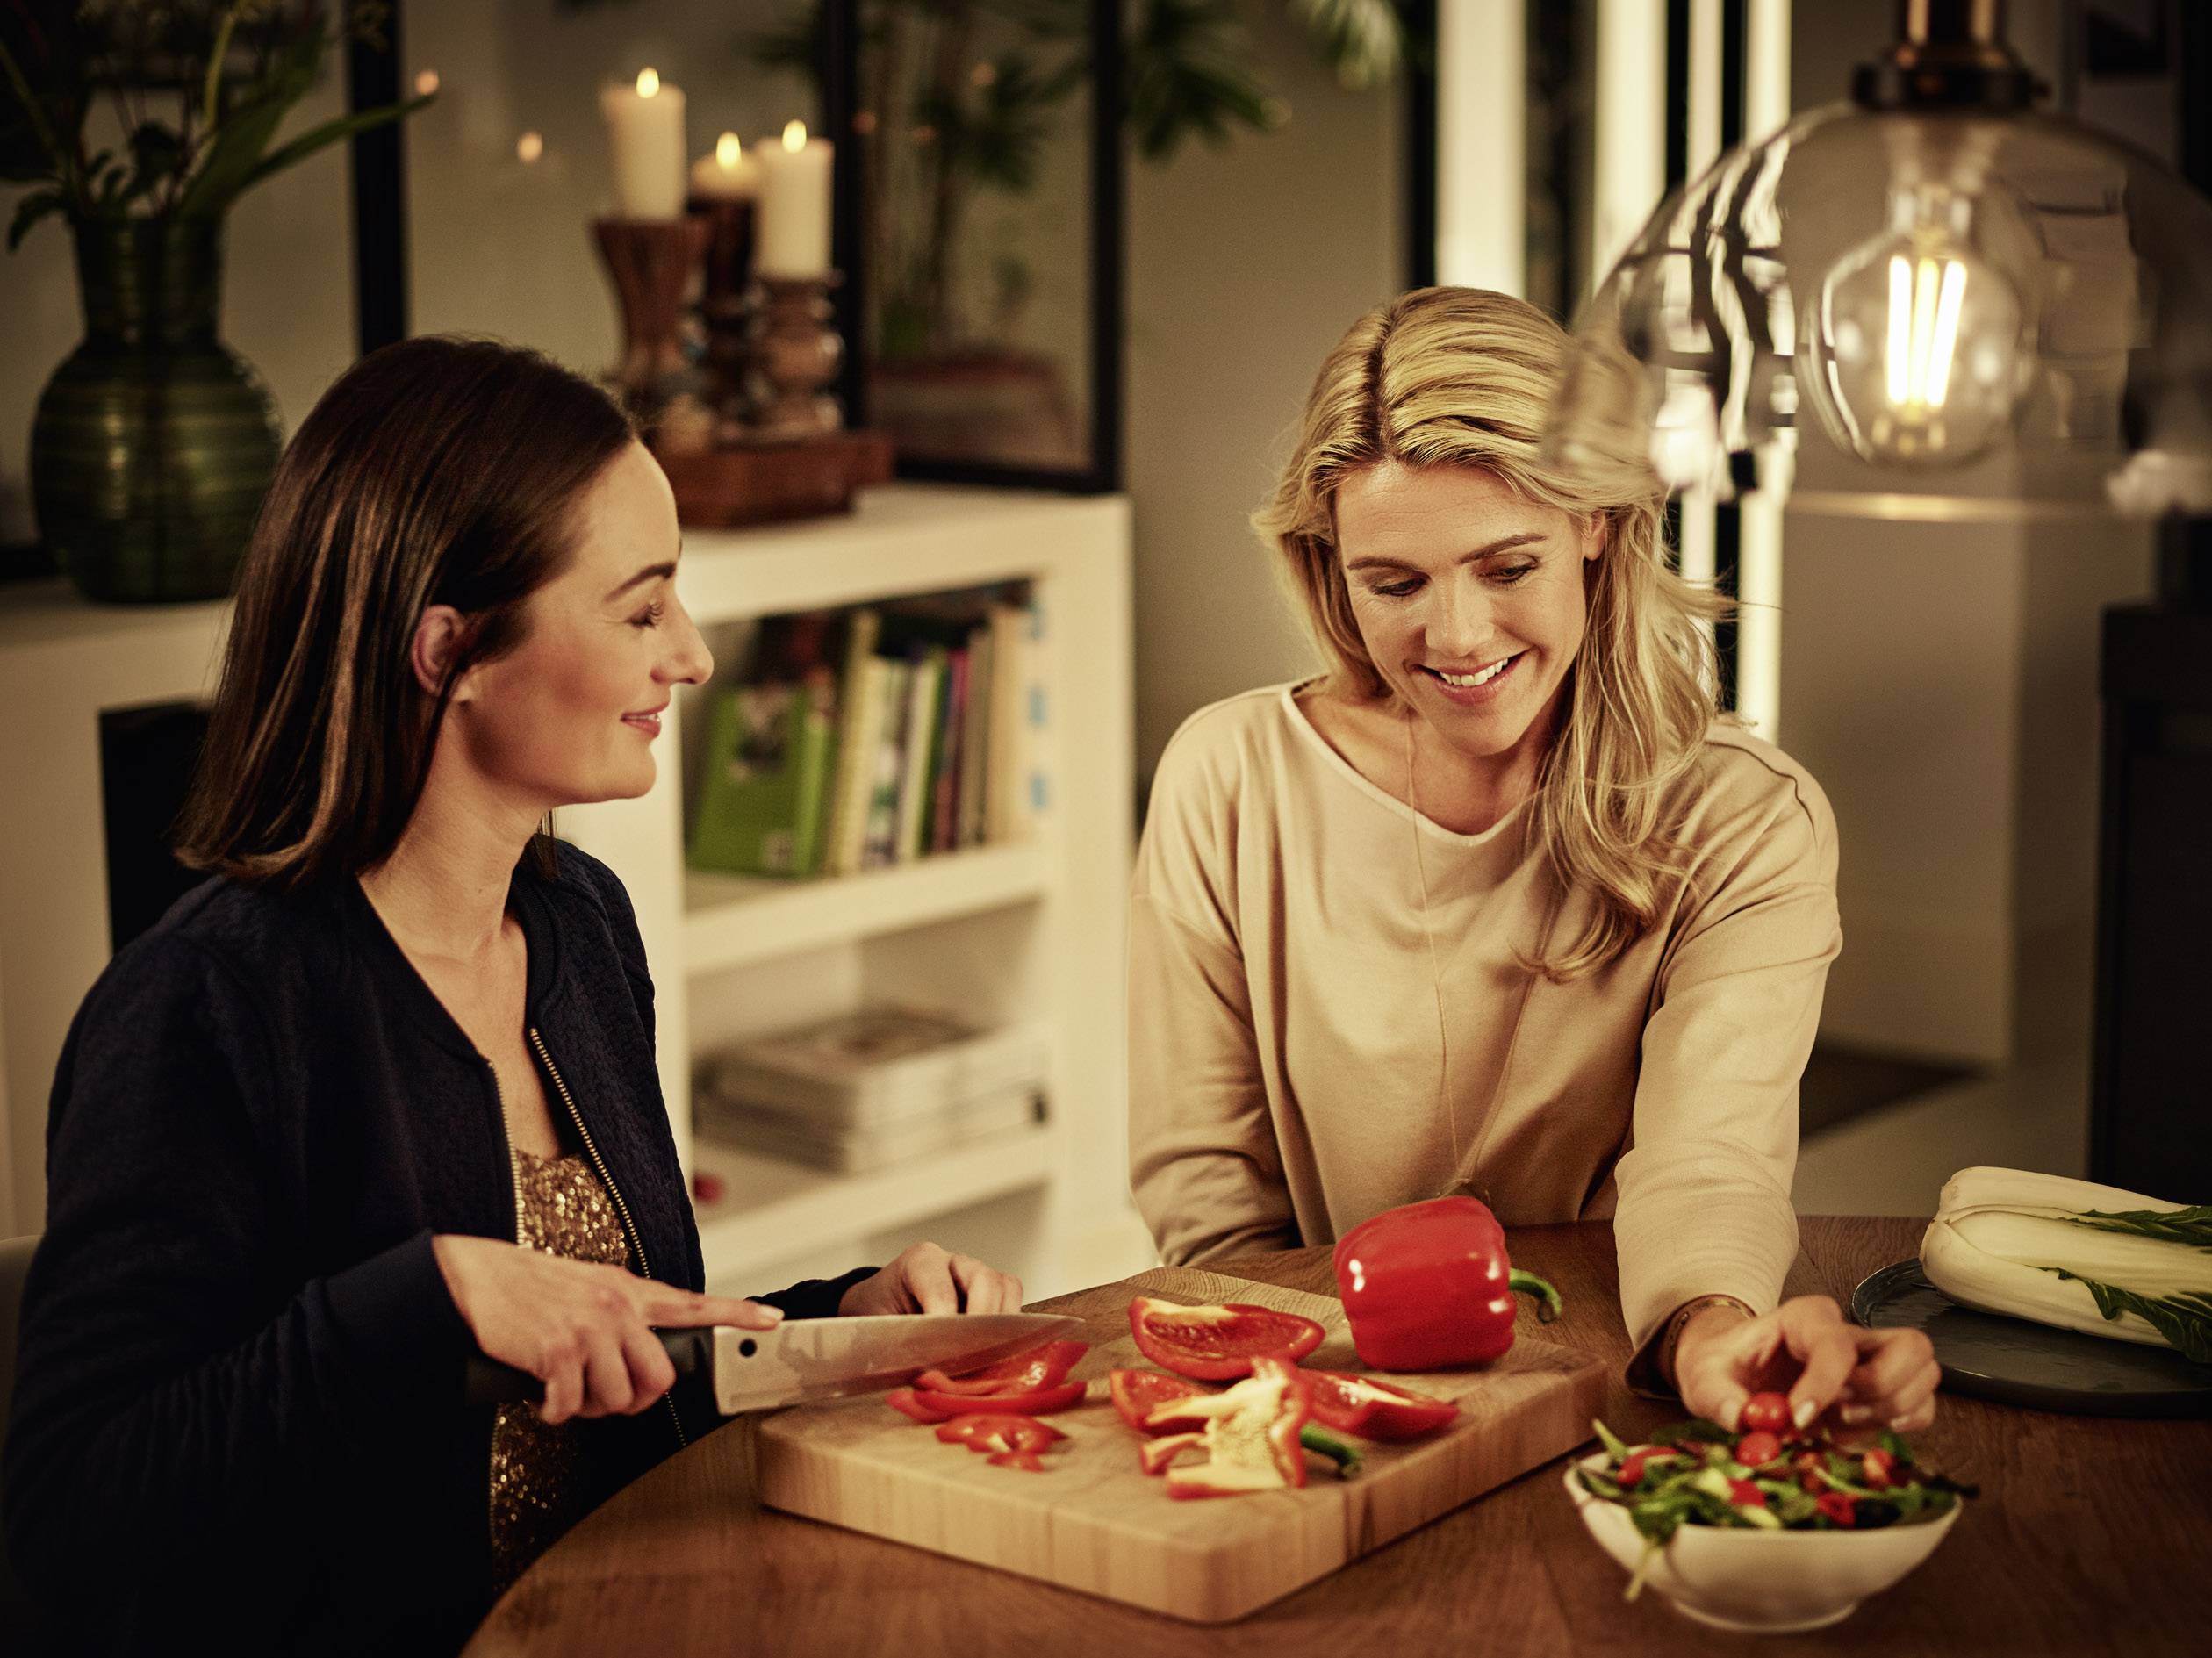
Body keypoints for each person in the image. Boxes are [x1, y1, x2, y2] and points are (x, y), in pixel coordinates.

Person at [2, 337, 1022, 1654]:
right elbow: (76, 1521)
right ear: (451, 650)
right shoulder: (203, 1007)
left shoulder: (579, 926)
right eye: (643, 609)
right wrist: (430, 1296)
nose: (695, 656)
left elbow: (618, 1380)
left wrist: (840, 1321)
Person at [1128, 287, 1937, 1439]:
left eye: (1506, 566)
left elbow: (1707, 1156)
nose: (1454, 638)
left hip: (1619, 1371)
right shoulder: (1229, 777)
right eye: (1394, 582)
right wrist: (1313, 1399)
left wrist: (1714, 1333)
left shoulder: (1746, 820)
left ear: (1596, 523)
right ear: (1330, 565)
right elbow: (1208, 1202)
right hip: (1332, 1379)